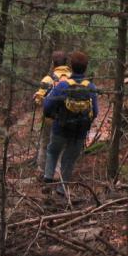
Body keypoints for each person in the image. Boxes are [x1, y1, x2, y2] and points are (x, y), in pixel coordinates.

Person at [42, 50, 98, 195]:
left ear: (71, 66)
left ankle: (48, 179)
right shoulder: (91, 87)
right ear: (85, 68)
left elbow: (47, 106)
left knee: (52, 151)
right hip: (79, 132)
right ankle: (61, 190)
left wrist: (53, 115)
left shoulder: (62, 85)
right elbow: (96, 112)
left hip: (60, 128)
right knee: (69, 159)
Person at [33, 50, 71, 172]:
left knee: (45, 143)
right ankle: (59, 172)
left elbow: (39, 100)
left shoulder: (48, 79)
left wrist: (37, 98)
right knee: (63, 146)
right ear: (66, 63)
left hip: (50, 118)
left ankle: (42, 170)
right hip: (68, 118)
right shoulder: (73, 78)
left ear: (53, 63)